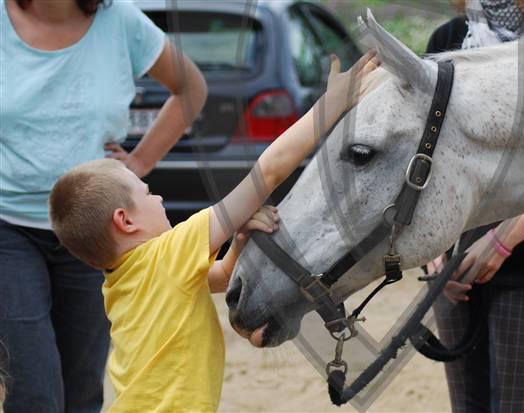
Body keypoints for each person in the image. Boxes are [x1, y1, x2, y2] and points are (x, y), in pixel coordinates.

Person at [48, 51, 379, 412]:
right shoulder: (169, 252)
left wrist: (236, 244)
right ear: (125, 221)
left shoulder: (122, 280)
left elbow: (217, 278)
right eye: (146, 191)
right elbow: (268, 172)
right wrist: (330, 106)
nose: (157, 196)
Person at [0, 0, 206, 411]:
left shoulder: (121, 20)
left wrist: (140, 161)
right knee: (33, 390)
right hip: (8, 229)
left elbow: (191, 88)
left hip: (95, 235)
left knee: (82, 389)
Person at [425, 1, 524, 412]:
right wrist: (431, 248)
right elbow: (427, 155)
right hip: (451, 261)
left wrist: (503, 240)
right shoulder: (447, 41)